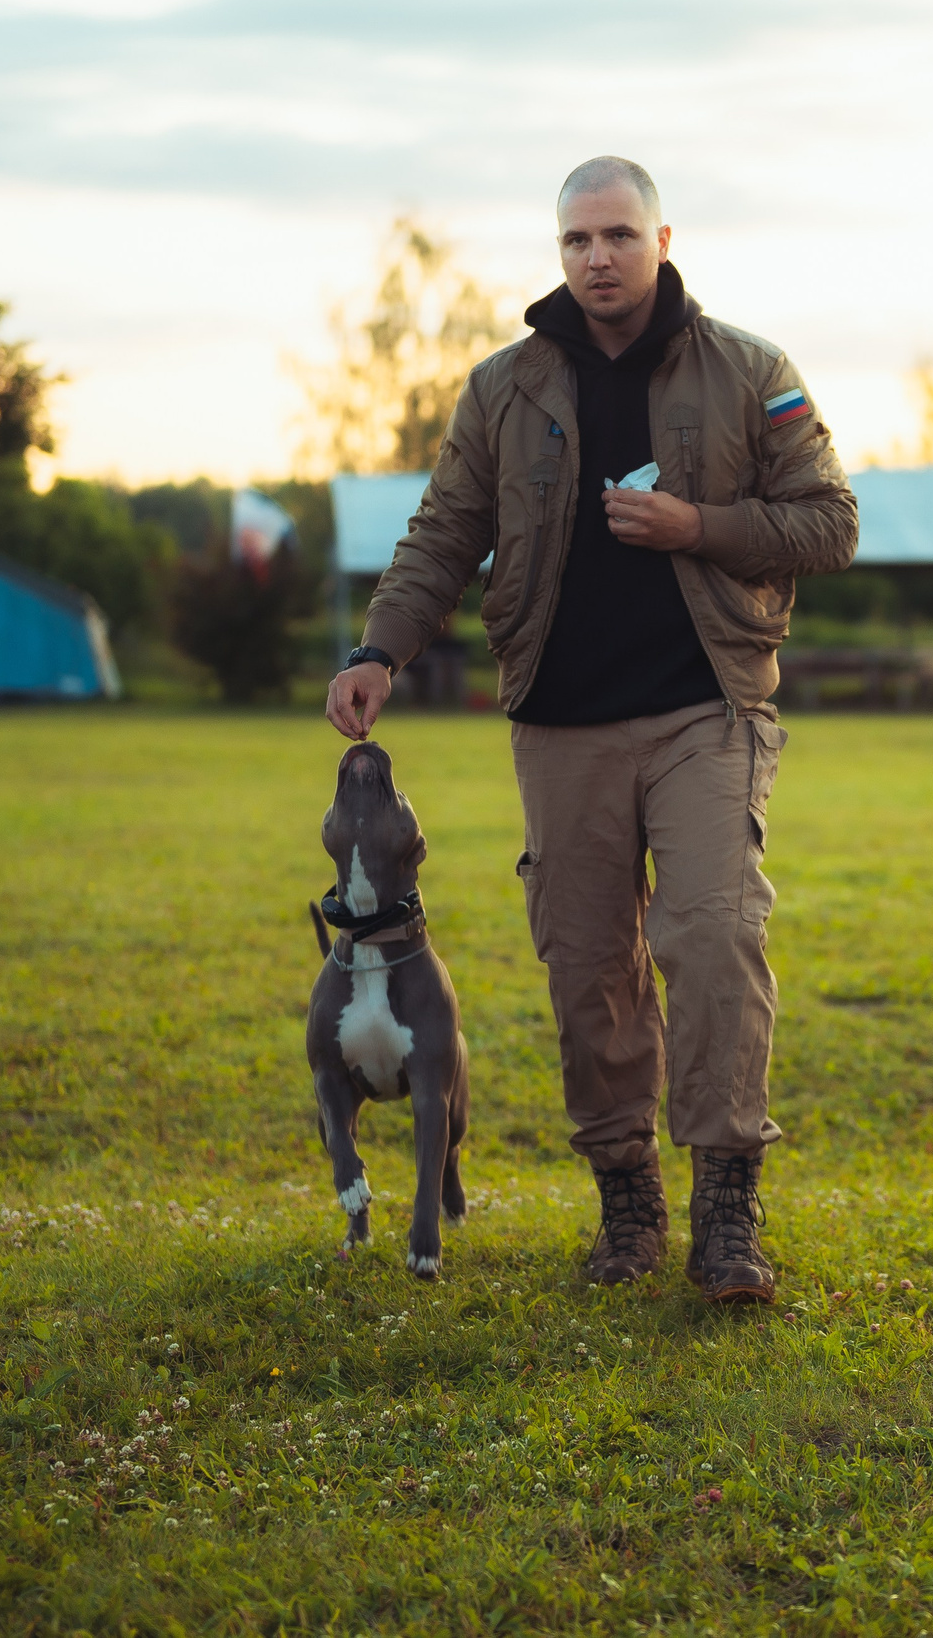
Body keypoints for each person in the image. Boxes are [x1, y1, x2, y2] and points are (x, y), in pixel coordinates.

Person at [325, 156, 858, 1304]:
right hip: (561, 722)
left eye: (618, 234)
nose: (596, 258)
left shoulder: (749, 370)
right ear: (557, 251)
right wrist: (380, 649)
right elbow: (441, 535)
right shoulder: (505, 389)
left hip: (704, 707)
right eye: (576, 240)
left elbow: (828, 522)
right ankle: (627, 1198)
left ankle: (727, 1209)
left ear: (663, 239)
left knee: (713, 933)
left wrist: (695, 524)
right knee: (586, 966)